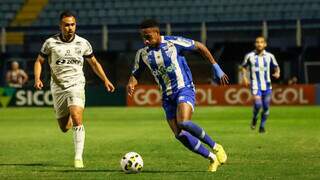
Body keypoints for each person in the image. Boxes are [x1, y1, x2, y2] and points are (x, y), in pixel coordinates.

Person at [127, 19, 229, 172]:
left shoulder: (173, 43)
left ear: (157, 32)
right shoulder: (142, 54)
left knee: (184, 123)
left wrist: (215, 65)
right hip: (166, 96)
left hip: (184, 88)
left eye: (148, 36)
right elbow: (136, 73)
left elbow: (199, 46)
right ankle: (211, 158)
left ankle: (216, 146)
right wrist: (131, 82)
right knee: (179, 134)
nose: (145, 40)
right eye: (143, 37)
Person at [33, 11, 115, 168]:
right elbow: (39, 61)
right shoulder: (50, 43)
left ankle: (78, 158)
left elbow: (94, 63)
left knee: (77, 117)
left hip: (76, 85)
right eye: (66, 25)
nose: (70, 28)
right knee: (64, 128)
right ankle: (68, 114)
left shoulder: (83, 43)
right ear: (60, 26)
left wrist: (105, 80)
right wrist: (37, 78)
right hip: (58, 87)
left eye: (72, 25)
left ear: (75, 25)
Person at [241, 36, 280, 133]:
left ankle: (262, 126)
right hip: (255, 85)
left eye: (261, 42)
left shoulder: (270, 56)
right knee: (258, 105)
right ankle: (254, 118)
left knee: (266, 106)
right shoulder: (249, 56)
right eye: (257, 42)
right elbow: (244, 67)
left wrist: (277, 73)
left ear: (265, 44)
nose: (259, 44)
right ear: (255, 44)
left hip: (267, 86)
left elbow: (276, 66)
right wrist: (244, 77)